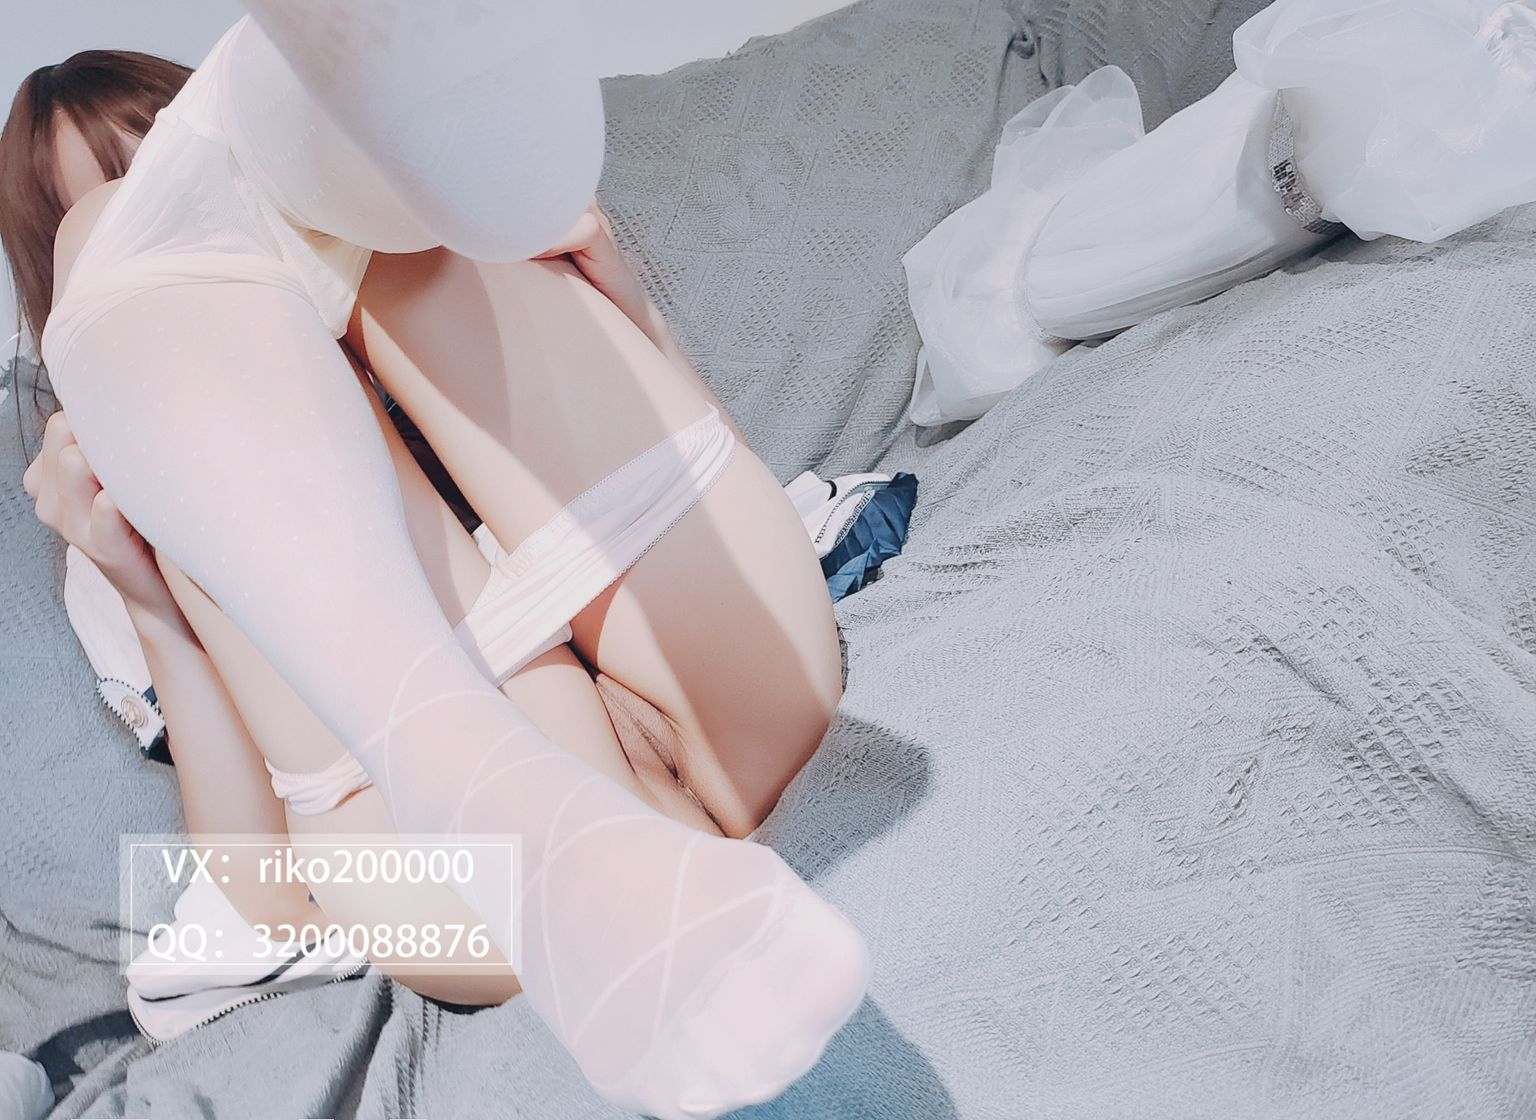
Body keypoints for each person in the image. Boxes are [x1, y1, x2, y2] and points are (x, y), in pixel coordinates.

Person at [4, 13, 868, 1118]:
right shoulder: (104, 519)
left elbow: (739, 498)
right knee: (123, 253)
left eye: (183, 191)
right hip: (448, 885)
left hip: (732, 696)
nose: (187, 237)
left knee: (379, 216)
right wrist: (146, 589)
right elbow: (265, 900)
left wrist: (629, 315)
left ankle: (312, 152)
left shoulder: (420, 283)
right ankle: (493, 795)